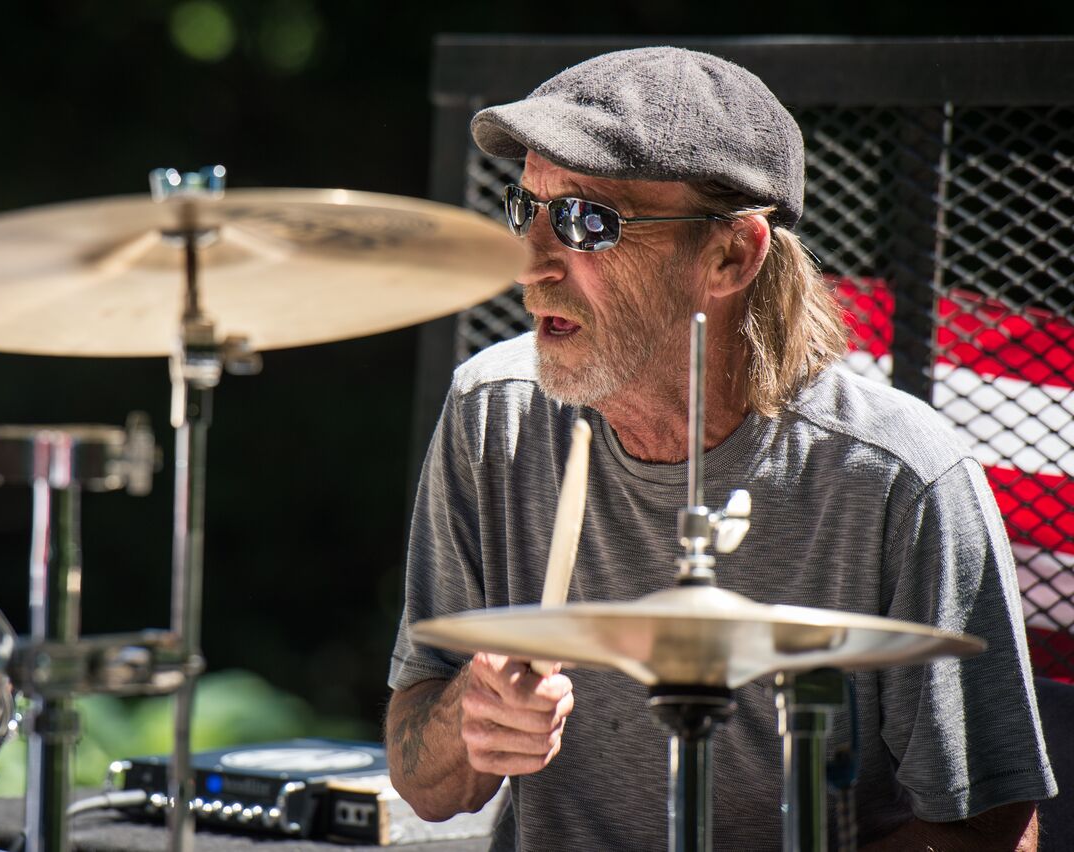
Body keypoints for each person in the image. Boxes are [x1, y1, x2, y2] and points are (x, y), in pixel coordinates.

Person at [384, 47, 1056, 850]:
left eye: (585, 221)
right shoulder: (494, 417)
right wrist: (469, 720)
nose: (530, 265)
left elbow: (990, 830)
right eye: (524, 207)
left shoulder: (897, 477)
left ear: (732, 254)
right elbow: (420, 779)